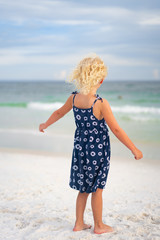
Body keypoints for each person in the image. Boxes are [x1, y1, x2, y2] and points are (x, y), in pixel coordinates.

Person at [39, 53, 143, 235]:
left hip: (80, 150)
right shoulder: (100, 103)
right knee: (98, 189)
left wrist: (45, 124)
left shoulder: (73, 98)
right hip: (98, 152)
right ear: (101, 80)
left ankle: (79, 223)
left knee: (83, 188)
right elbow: (116, 130)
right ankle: (99, 226)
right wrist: (133, 148)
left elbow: (58, 113)